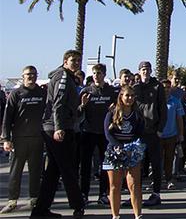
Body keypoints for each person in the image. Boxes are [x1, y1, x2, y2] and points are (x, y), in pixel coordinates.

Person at [31, 50, 86, 219]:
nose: (76, 63)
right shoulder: (63, 77)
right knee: (68, 169)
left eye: (78, 60)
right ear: (64, 61)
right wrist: (59, 128)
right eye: (73, 60)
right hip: (57, 129)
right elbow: (58, 104)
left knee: (53, 173)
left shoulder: (68, 77)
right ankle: (78, 206)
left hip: (59, 127)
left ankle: (40, 210)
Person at [1, 65, 45, 214]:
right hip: (19, 139)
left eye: (33, 74)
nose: (31, 77)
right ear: (23, 76)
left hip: (37, 139)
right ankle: (12, 201)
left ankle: (34, 199)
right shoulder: (16, 93)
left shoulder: (42, 92)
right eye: (28, 74)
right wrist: (6, 138)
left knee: (36, 171)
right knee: (15, 172)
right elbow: (7, 118)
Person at [78, 63, 118, 206]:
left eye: (99, 73)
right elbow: (76, 113)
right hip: (88, 132)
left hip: (105, 133)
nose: (96, 75)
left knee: (105, 165)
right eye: (94, 73)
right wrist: (82, 105)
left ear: (104, 74)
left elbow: (117, 111)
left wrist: (113, 110)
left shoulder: (111, 91)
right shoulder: (86, 91)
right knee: (86, 165)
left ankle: (103, 194)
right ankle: (84, 194)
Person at [103, 86, 145, 219]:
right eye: (127, 95)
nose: (130, 98)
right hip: (114, 151)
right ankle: (115, 215)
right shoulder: (112, 112)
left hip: (132, 151)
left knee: (134, 184)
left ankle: (138, 215)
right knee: (115, 185)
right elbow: (107, 133)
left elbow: (140, 133)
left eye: (132, 95)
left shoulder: (137, 114)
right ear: (121, 96)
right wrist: (119, 147)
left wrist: (132, 148)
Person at [133, 61, 167, 206]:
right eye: (142, 69)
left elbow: (163, 109)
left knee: (156, 163)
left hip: (153, 131)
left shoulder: (157, 86)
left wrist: (160, 129)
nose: (145, 72)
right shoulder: (135, 87)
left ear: (151, 70)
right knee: (136, 164)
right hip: (138, 132)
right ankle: (135, 194)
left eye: (147, 69)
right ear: (139, 71)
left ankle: (156, 193)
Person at [160, 78, 184, 190]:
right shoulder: (156, 101)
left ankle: (169, 179)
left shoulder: (175, 101)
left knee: (169, 159)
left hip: (171, 135)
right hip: (158, 135)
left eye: (168, 87)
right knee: (158, 159)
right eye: (164, 87)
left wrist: (181, 134)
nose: (166, 89)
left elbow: (179, 119)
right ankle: (157, 180)